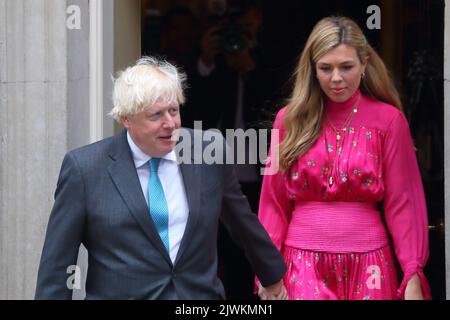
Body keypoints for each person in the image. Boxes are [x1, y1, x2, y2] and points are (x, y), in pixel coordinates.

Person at [35, 56, 287, 300]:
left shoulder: (208, 151)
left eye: (174, 110)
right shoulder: (84, 169)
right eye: (156, 115)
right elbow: (58, 264)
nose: (170, 123)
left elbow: (242, 223)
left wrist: (272, 277)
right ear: (127, 119)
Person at [257, 16, 431, 300]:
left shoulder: (389, 121)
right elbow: (272, 204)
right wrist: (265, 271)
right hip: (301, 264)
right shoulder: (288, 121)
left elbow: (404, 204)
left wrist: (412, 271)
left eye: (346, 67)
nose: (336, 78)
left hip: (371, 265)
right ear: (312, 69)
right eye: (325, 68)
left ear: (364, 64)